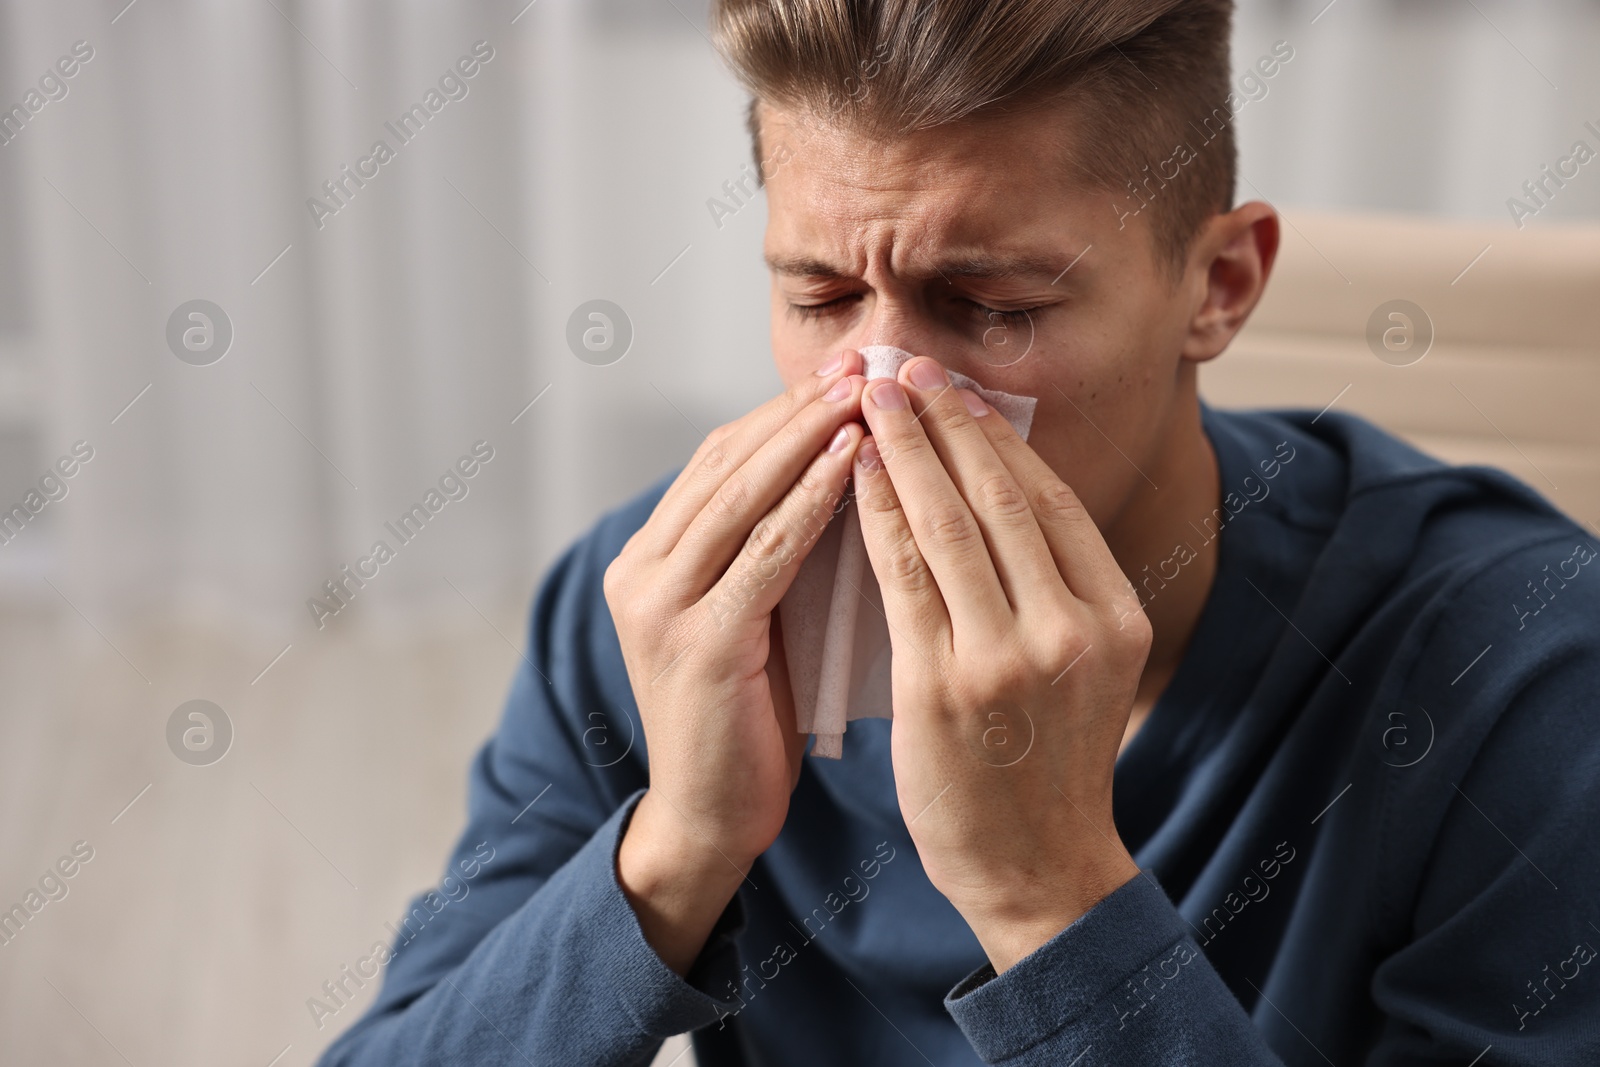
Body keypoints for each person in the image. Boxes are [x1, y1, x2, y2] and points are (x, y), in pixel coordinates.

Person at [318, 1, 1600, 1063]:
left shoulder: (1527, 671)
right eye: (819, 294)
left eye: (990, 303)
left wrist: (1052, 895)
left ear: (1218, 286)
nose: (879, 393)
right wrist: (677, 844)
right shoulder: (663, 605)